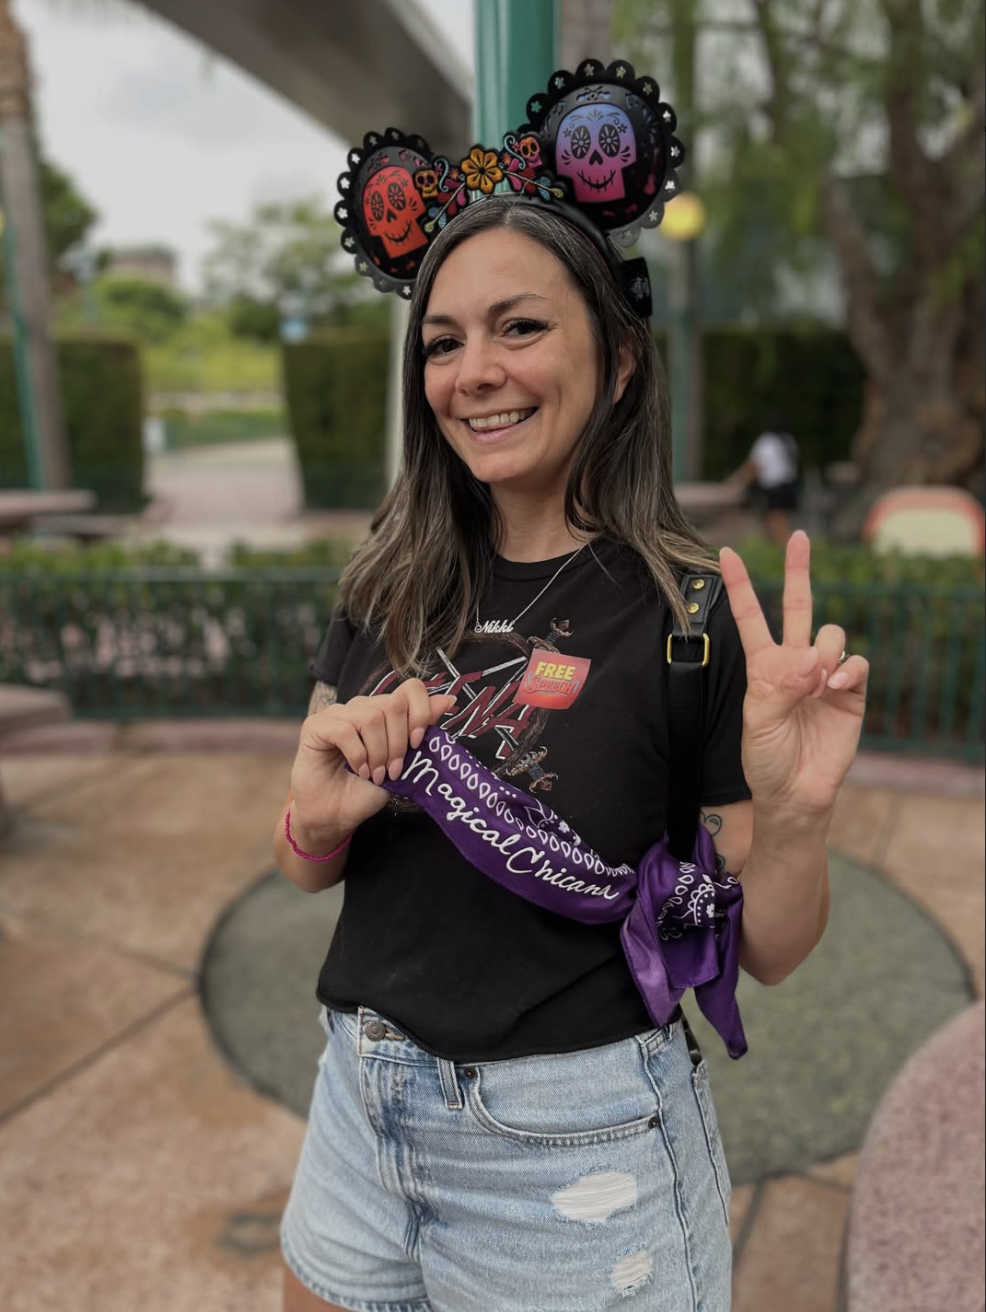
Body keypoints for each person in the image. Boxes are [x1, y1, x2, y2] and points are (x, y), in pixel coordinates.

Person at [273, 61, 868, 1312]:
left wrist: (795, 811)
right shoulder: (387, 580)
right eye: (442, 341)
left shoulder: (694, 610)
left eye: (520, 326)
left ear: (621, 358)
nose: (472, 370)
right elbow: (308, 860)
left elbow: (767, 948)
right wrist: (313, 821)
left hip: (571, 1143)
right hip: (357, 1099)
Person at [731, 412, 802, 546]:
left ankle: (787, 551)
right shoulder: (789, 441)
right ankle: (787, 549)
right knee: (784, 522)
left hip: (776, 489)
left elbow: (754, 465)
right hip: (789, 486)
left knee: (776, 523)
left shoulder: (767, 441)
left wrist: (737, 482)